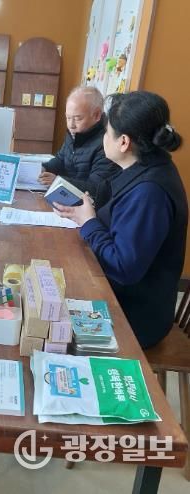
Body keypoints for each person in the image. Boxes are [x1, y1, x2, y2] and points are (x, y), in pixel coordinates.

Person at [54, 91, 188, 349]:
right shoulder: (145, 168)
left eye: (106, 132)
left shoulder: (150, 192)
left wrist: (89, 223)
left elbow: (124, 267)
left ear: (124, 142)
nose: (103, 138)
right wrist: (89, 214)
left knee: (48, 321)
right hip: (118, 292)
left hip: (134, 315)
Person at [38, 86, 119, 202]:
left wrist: (59, 182)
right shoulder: (75, 133)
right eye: (68, 117)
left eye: (77, 119)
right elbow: (61, 159)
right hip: (67, 198)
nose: (71, 125)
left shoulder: (106, 143)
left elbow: (96, 188)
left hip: (89, 205)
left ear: (96, 115)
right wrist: (45, 167)